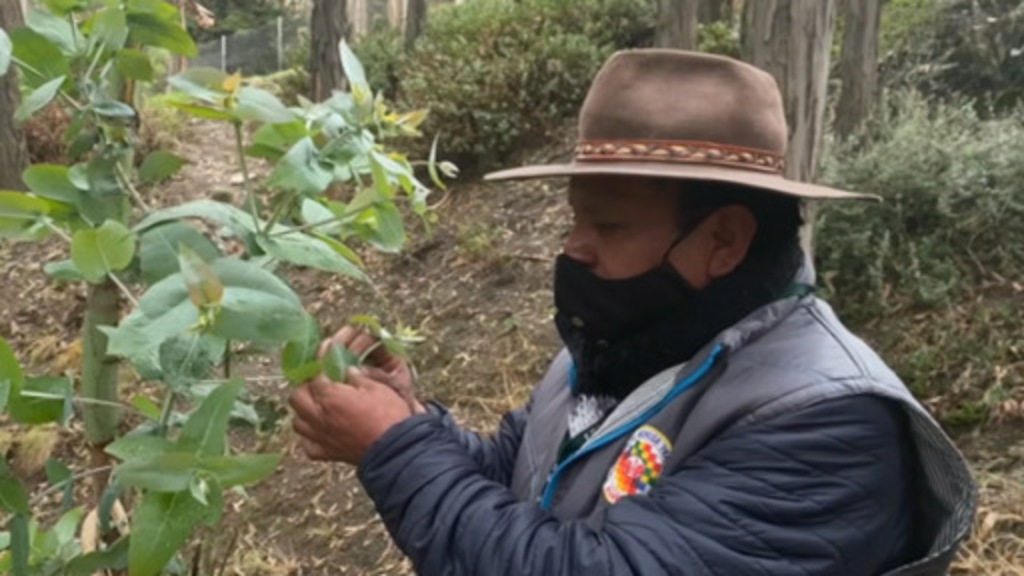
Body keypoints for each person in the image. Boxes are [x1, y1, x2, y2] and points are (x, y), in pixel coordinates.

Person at [288, 49, 976, 575]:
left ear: (725, 240)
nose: (572, 250)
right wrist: (409, 418)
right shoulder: (636, 341)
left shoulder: (825, 423)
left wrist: (395, 450)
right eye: (574, 221)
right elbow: (523, 476)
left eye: (609, 228)